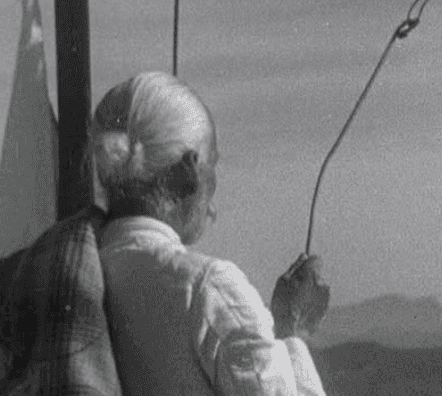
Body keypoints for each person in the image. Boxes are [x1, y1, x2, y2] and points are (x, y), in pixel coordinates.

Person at [92, 71, 329, 396]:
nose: (213, 203)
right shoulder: (208, 289)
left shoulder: (75, 272)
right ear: (189, 167)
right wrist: (293, 331)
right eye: (212, 164)